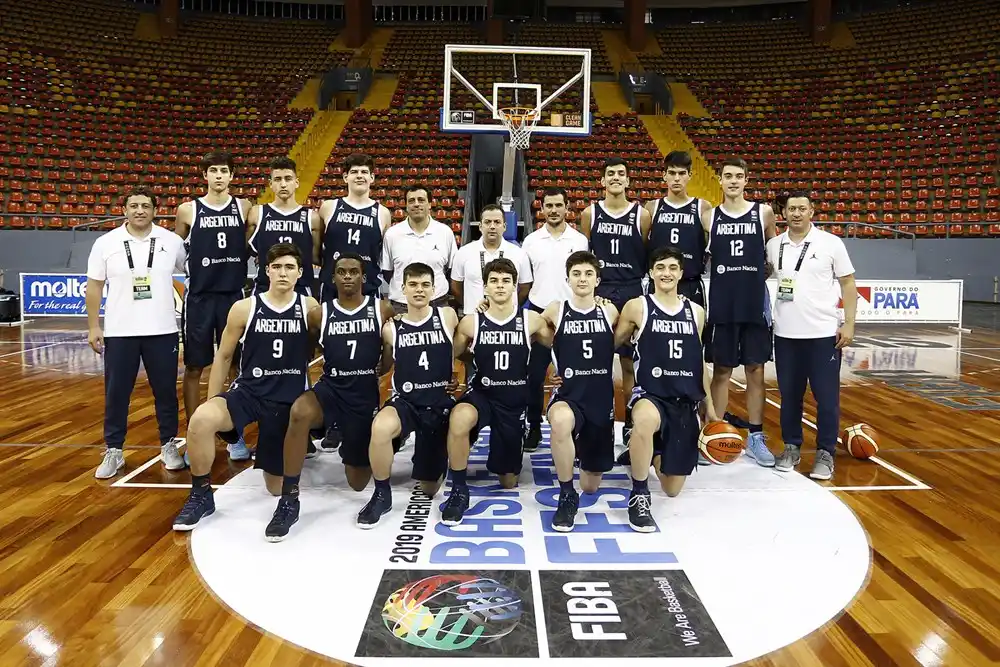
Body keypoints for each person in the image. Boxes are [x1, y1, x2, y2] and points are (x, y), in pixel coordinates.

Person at [172, 243, 319, 541]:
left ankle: (286, 484)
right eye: (276, 267)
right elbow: (224, 356)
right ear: (266, 270)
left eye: (289, 267)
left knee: (274, 487)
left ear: (300, 273)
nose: (282, 272)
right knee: (201, 419)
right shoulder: (245, 308)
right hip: (249, 394)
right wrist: (214, 399)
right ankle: (201, 495)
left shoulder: (310, 307)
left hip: (287, 403)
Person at [613, 247, 718, 532]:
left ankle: (650, 450)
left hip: (684, 400)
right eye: (660, 267)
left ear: (681, 273)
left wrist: (708, 404)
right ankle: (639, 494)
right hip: (650, 392)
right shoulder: (638, 306)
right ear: (651, 272)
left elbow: (699, 364)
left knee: (672, 489)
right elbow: (609, 342)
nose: (666, 273)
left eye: (672, 268)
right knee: (645, 420)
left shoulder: (696, 312)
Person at [439, 258, 550, 525]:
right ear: (485, 287)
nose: (500, 285)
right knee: (459, 416)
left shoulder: (532, 320)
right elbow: (451, 354)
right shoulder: (471, 322)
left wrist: (553, 372)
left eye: (506, 281)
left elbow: (557, 345)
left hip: (513, 401)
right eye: (494, 281)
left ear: (515, 287)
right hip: (483, 395)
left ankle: (511, 446)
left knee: (509, 482)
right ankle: (459, 489)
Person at [87, 187, 188, 479]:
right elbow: (94, 286)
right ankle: (114, 450)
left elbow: (193, 271)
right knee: (117, 393)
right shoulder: (106, 243)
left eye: (145, 205)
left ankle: (169, 445)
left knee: (166, 393)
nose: (140, 210)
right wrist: (94, 325)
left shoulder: (172, 242)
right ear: (124, 210)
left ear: (155, 210)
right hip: (120, 332)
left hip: (163, 330)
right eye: (134, 205)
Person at [356, 262, 459, 529]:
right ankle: (381, 494)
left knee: (429, 489)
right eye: (413, 284)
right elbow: (386, 365)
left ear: (434, 289)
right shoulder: (391, 329)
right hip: (407, 402)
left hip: (437, 404)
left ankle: (432, 456)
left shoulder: (447, 316)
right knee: (379, 427)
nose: (419, 290)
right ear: (402, 289)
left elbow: (468, 341)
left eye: (425, 284)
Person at [280, 253, 395, 491]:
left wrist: (381, 368)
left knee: (358, 482)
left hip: (363, 394)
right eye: (341, 272)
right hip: (331, 387)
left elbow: (389, 357)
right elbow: (308, 352)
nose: (348, 276)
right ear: (333, 278)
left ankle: (361, 440)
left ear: (363, 277)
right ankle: (289, 495)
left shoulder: (382, 309)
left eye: (353, 272)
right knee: (299, 411)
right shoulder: (319, 314)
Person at [767, 191, 857, 480]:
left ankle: (825, 453)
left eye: (801, 208)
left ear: (811, 211)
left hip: (823, 335)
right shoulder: (773, 245)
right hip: (785, 335)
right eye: (791, 208)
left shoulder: (831, 243)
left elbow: (848, 283)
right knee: (790, 396)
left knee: (826, 398)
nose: (796, 213)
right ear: (784, 212)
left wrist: (850, 324)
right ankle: (791, 447)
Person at [174, 151, 252, 461]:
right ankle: (196, 435)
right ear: (204, 175)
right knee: (194, 367)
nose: (219, 176)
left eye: (224, 171)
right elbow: (176, 253)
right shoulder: (187, 210)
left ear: (232, 176)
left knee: (236, 366)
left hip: (233, 296)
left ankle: (234, 435)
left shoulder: (244, 208)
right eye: (213, 171)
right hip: (200, 298)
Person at [702, 157, 776, 467]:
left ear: (747, 180)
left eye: (739, 176)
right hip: (722, 304)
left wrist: (757, 278)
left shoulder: (763, 213)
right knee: (721, 370)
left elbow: (773, 257)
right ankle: (713, 432)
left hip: (753, 304)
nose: (733, 181)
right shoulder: (708, 217)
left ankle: (756, 437)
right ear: (719, 180)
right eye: (728, 176)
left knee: (756, 370)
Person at [541, 251, 618, 532]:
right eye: (576, 274)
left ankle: (580, 456)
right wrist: (550, 368)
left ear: (598, 279)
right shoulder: (555, 309)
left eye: (588, 274)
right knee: (560, 421)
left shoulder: (609, 311)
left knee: (591, 485)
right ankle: (565, 493)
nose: (582, 279)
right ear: (568, 279)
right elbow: (528, 331)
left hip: (599, 399)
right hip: (568, 396)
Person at [581, 157, 651, 446]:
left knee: (628, 364)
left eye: (621, 174)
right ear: (603, 180)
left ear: (628, 180)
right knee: (596, 363)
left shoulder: (642, 215)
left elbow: (647, 253)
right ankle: (599, 422)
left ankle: (631, 424)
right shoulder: (590, 213)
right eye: (610, 174)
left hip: (632, 289)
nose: (616, 178)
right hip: (601, 290)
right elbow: (585, 254)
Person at [520, 186, 589, 452]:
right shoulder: (531, 241)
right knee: (533, 376)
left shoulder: (579, 241)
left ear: (567, 207)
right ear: (542, 208)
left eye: (558, 205)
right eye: (548, 205)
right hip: (539, 315)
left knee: (577, 376)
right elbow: (525, 282)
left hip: (570, 315)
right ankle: (534, 427)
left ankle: (578, 429)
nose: (553, 210)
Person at [318, 152, 391, 302]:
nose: (359, 176)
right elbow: (317, 247)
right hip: (332, 288)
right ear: (345, 177)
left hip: (368, 288)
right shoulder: (329, 207)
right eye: (354, 172)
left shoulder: (383, 213)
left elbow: (382, 253)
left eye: (364, 172)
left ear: (372, 177)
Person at [644, 151, 712, 307]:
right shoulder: (652, 207)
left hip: (690, 283)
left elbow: (709, 246)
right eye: (672, 173)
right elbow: (644, 245)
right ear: (664, 175)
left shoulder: (702, 207)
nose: (676, 178)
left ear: (690, 175)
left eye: (682, 173)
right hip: (658, 284)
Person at [247, 156, 321, 296]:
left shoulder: (312, 218)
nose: (283, 184)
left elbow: (316, 257)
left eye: (288, 179)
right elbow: (246, 250)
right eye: (277, 179)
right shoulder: (257, 214)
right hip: (265, 289)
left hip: (300, 290)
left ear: (296, 182)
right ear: (270, 183)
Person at [380, 184, 458, 315]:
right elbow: (388, 272)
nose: (416, 204)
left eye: (421, 200)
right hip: (401, 305)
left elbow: (451, 270)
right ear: (406, 206)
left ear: (429, 204)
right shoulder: (392, 234)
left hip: (437, 303)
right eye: (411, 201)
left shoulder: (445, 232)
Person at [450, 204, 532, 314]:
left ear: (505, 226)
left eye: (497, 222)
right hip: (473, 317)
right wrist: (470, 305)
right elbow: (456, 287)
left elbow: (524, 288)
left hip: (507, 318)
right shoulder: (464, 253)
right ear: (480, 226)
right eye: (487, 222)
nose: (492, 226)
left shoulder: (519, 254)